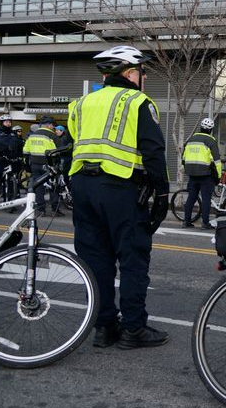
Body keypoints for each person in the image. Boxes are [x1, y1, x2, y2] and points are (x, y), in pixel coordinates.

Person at [67, 45, 170, 350]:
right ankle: (134, 329)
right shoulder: (137, 100)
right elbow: (153, 149)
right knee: (133, 257)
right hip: (121, 189)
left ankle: (104, 326)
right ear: (129, 73)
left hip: (83, 187)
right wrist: (162, 192)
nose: (144, 77)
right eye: (142, 71)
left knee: (95, 257)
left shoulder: (82, 103)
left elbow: (74, 142)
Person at [182, 117, 223, 229]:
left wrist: (186, 169)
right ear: (211, 130)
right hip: (206, 175)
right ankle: (205, 223)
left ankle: (186, 221)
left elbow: (184, 158)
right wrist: (218, 176)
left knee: (191, 197)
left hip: (192, 174)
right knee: (206, 199)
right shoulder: (211, 141)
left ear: (200, 127)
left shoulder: (191, 139)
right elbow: (217, 161)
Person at [23, 116, 62, 216]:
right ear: (49, 125)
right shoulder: (52, 136)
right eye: (53, 125)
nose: (53, 128)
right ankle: (54, 210)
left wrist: (27, 166)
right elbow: (59, 151)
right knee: (53, 186)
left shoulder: (32, 135)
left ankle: (41, 210)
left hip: (35, 165)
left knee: (38, 187)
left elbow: (26, 152)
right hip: (49, 165)